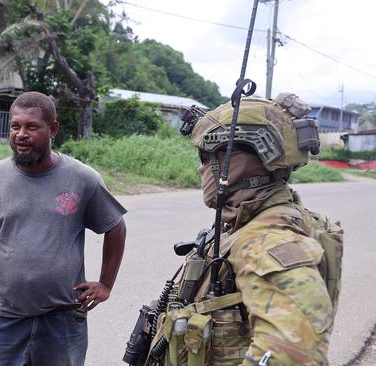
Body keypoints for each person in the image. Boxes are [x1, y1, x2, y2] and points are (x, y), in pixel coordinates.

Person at [134, 93, 342, 366]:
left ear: (240, 162)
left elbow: (291, 356)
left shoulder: (268, 241)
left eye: (206, 157)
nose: (201, 168)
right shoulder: (246, 222)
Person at [0, 91, 128, 366]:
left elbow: (115, 227)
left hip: (61, 320)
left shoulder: (83, 178)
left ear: (53, 129)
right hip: (3, 318)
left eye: (32, 127)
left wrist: (106, 283)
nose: (21, 134)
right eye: (16, 126)